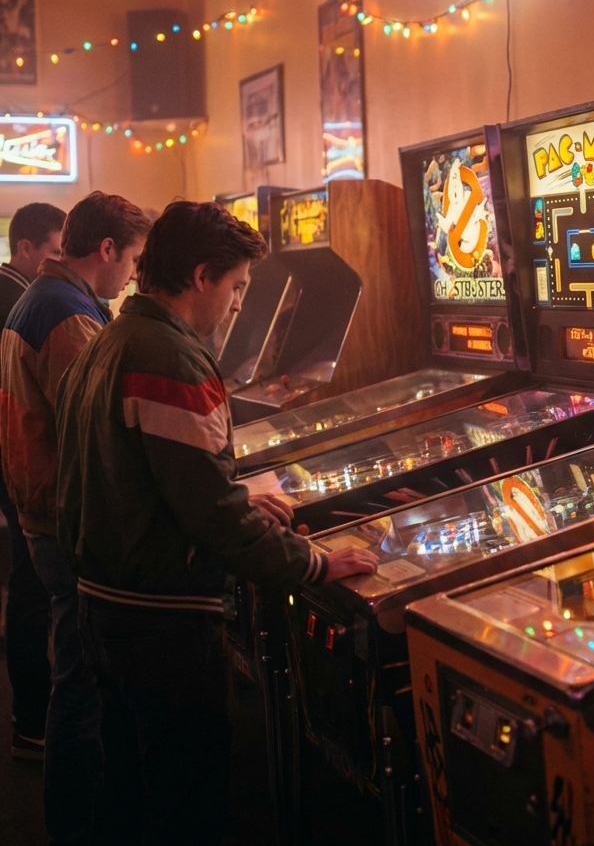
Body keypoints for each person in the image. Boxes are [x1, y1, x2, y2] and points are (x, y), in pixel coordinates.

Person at [56, 201, 378, 845]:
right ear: (202, 276)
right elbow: (215, 521)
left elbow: (143, 479)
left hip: (107, 604)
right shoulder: (169, 356)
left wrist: (225, 495)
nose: (237, 306)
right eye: (236, 288)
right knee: (186, 804)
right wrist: (314, 562)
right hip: (162, 622)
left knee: (124, 790)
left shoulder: (111, 338)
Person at [0, 191, 151, 845]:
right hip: (63, 516)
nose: (135, 274)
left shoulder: (44, 296)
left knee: (78, 670)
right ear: (109, 250)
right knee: (83, 680)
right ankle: (77, 822)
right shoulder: (67, 313)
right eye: (136, 258)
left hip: (39, 506)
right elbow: (100, 427)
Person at [0, 202, 67, 761]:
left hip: (13, 459)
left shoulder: (22, 294)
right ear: (26, 248)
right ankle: (31, 719)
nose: (59, 263)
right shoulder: (17, 296)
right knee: (29, 590)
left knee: (29, 588)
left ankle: (32, 715)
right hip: (17, 461)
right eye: (54, 251)